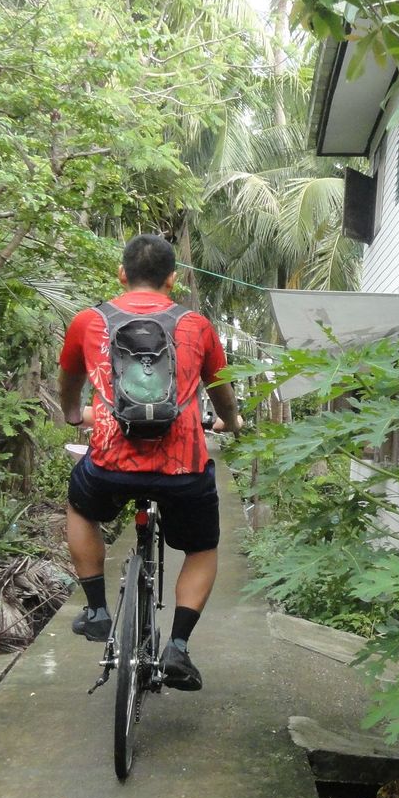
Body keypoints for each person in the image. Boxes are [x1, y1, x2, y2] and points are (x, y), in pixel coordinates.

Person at [57, 234, 243, 690]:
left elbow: (69, 382)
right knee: (201, 548)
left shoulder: (89, 322)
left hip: (110, 462)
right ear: (173, 279)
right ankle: (177, 647)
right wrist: (229, 422)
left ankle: (97, 608)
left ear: (121, 273)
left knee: (81, 505)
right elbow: (221, 395)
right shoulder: (197, 326)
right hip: (182, 468)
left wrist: (71, 415)